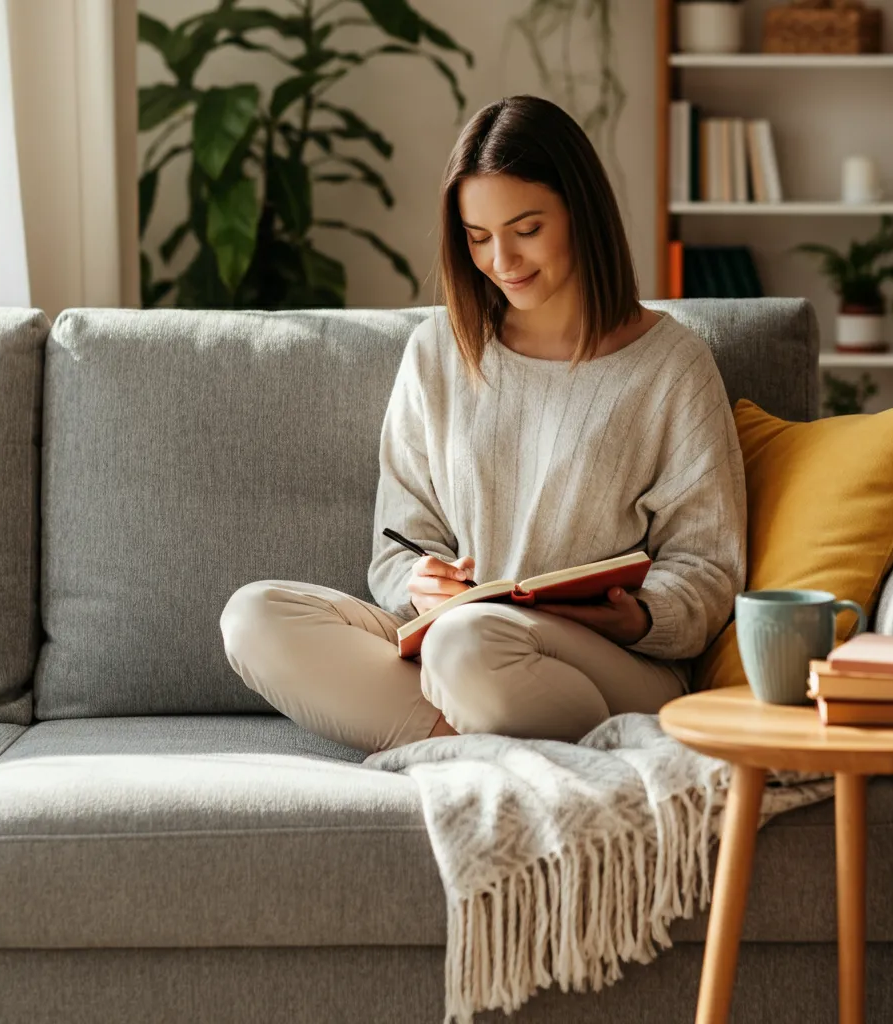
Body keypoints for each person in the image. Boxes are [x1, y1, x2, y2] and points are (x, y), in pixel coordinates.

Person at [220, 94, 747, 754]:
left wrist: (638, 614)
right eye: (478, 238)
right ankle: (479, 743)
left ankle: (454, 736)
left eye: (527, 229)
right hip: (455, 644)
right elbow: (399, 542)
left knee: (468, 645)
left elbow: (709, 566)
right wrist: (419, 581)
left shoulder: (671, 366)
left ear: (581, 214)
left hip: (612, 662)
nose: (503, 261)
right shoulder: (439, 351)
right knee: (255, 616)